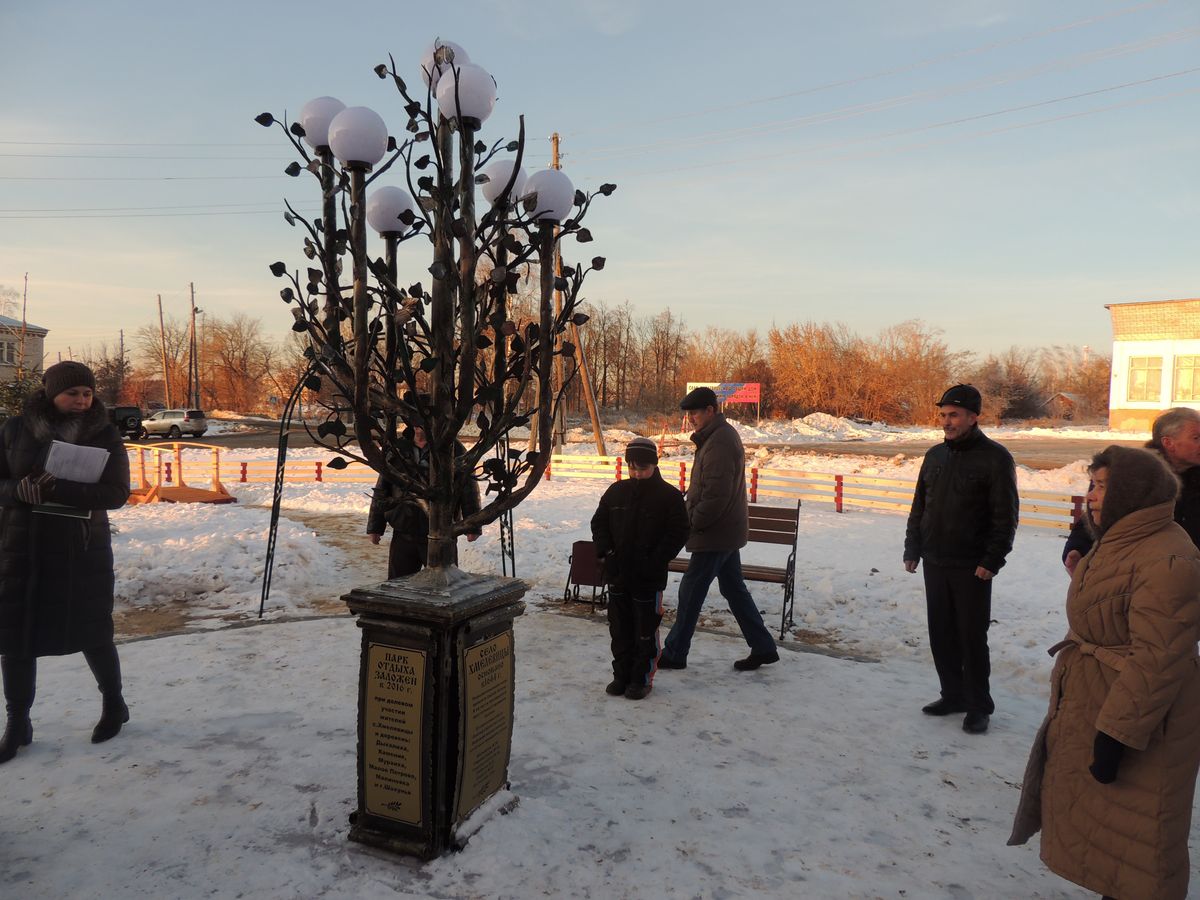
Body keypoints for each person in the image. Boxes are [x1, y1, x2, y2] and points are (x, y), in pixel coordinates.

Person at [1010, 446, 1200, 900]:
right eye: (1090, 485)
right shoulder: (1120, 539)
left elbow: (1159, 657)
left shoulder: (1168, 556)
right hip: (1102, 698)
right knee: (1113, 836)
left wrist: (1116, 735)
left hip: (1142, 720)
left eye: (1100, 486)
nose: (1090, 496)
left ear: (1131, 492)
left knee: (1141, 842)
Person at [0, 361, 132, 763]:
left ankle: (114, 704)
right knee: (16, 637)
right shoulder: (13, 430)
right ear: (50, 392)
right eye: (72, 392)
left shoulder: (104, 435)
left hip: (80, 550)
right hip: (19, 548)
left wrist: (62, 488)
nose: (81, 400)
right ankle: (17, 722)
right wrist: (17, 491)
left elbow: (116, 493)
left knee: (93, 631)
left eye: (87, 393)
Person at [903, 384, 1018, 735]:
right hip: (935, 559)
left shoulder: (995, 458)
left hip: (972, 565)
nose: (946, 422)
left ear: (973, 417)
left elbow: (1005, 516)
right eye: (943, 415)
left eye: (953, 415)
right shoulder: (934, 456)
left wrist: (992, 559)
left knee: (970, 636)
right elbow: (919, 506)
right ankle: (952, 694)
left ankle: (979, 704)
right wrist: (913, 547)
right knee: (940, 633)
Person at [659, 387, 779, 672]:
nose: (690, 419)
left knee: (691, 590)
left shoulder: (720, 441)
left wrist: (692, 524)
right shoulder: (715, 437)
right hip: (725, 530)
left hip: (716, 531)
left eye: (695, 413)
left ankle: (675, 652)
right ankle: (763, 647)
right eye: (688, 414)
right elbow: (707, 487)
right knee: (733, 589)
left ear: (710, 411)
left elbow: (716, 495)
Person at [590, 437, 689, 700]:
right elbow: (599, 523)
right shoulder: (616, 491)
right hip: (618, 573)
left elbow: (678, 533)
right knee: (619, 629)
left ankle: (641, 678)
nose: (636, 473)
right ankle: (620, 675)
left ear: (655, 466)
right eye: (632, 468)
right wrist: (607, 552)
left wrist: (655, 560)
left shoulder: (669, 497)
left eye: (642, 468)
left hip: (648, 577)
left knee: (644, 631)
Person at [1063, 406, 1200, 575]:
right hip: (1138, 579)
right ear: (1168, 443)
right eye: (1196, 437)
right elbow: (1095, 517)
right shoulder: (1130, 476)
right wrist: (1077, 549)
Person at [366, 422, 481, 578]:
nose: (419, 425)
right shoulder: (398, 449)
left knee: (443, 585)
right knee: (398, 585)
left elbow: (469, 488)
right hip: (403, 530)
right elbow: (383, 486)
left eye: (424, 419)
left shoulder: (454, 449)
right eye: (414, 419)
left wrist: (472, 525)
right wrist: (375, 526)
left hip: (441, 532)